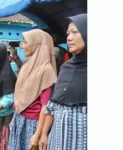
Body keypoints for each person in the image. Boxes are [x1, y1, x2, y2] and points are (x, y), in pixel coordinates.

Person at [38, 14, 87, 150]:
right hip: (57, 140)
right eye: (68, 33)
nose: (69, 38)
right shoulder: (66, 67)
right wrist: (43, 134)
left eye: (75, 32)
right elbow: (53, 105)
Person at [8, 29, 57, 150]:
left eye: (26, 42)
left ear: (37, 44)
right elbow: (21, 95)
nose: (22, 45)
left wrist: (37, 134)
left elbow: (45, 107)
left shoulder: (46, 70)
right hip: (19, 118)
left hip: (32, 124)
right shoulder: (26, 66)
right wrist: (14, 118)